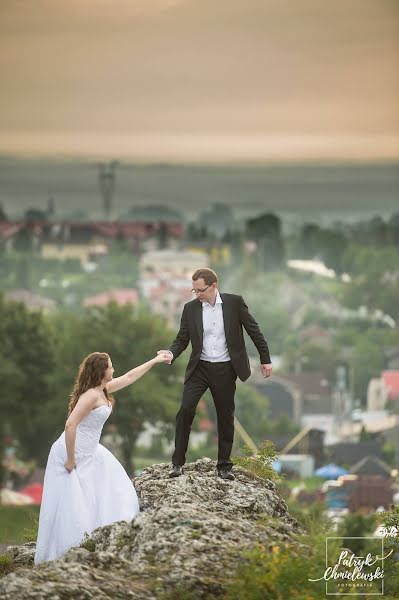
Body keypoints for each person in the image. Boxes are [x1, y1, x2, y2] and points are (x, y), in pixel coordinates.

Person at [34, 351, 169, 564]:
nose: (114, 369)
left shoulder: (103, 390)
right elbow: (70, 425)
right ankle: (65, 553)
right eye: (111, 366)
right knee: (72, 504)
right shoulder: (90, 396)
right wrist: (70, 460)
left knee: (112, 488)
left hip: (91, 451)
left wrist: (155, 360)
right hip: (72, 452)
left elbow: (129, 377)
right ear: (101, 370)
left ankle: (102, 536)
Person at [158, 268, 272, 481]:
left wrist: (265, 359)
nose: (197, 294)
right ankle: (177, 463)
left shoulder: (234, 303)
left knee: (225, 416)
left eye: (200, 290)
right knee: (185, 410)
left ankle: (224, 466)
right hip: (199, 368)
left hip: (225, 369)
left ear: (214, 285)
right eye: (194, 290)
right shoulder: (190, 309)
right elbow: (182, 339)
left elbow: (254, 330)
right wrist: (171, 353)